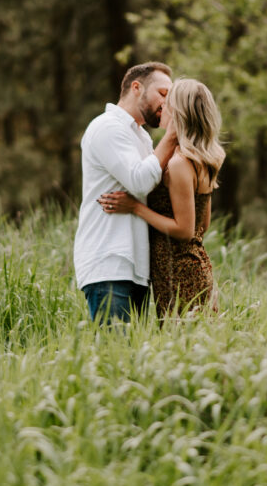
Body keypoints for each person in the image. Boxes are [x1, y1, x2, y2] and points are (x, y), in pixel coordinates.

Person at [99, 78, 225, 317]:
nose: (162, 107)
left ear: (178, 112)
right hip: (193, 266)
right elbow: (203, 225)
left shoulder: (178, 164)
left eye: (168, 102)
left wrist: (136, 208)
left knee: (183, 342)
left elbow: (186, 230)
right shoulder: (201, 159)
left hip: (178, 272)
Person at [74, 62, 177, 324]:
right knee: (113, 358)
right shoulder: (108, 127)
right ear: (136, 87)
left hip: (135, 266)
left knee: (130, 360)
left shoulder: (140, 137)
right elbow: (140, 181)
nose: (166, 104)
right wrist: (172, 136)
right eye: (163, 94)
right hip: (109, 262)